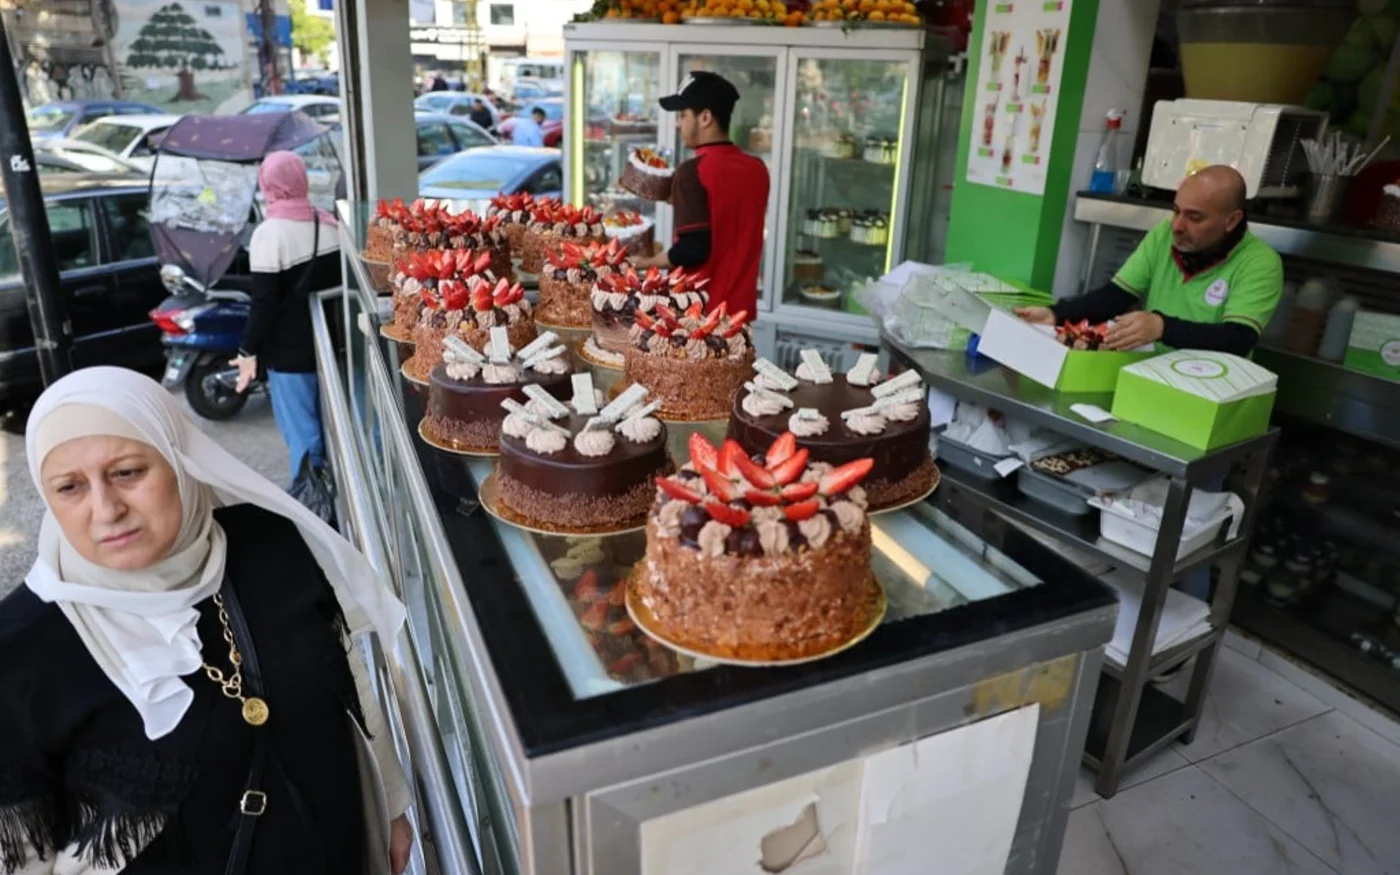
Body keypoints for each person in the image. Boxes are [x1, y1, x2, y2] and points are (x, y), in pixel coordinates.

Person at [0, 367, 414, 874]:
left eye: (127, 472)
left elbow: (344, 677)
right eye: (69, 487)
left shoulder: (268, 543)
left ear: (178, 460)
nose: (106, 510)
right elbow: (20, 854)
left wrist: (391, 807)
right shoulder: (21, 648)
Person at [1015, 164, 1283, 356]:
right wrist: (1056, 314)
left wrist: (1162, 327)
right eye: (1176, 211)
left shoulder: (1259, 262)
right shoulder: (1164, 236)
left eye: (1195, 217)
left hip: (1208, 390)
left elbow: (1237, 338)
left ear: (1231, 220)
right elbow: (1115, 296)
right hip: (1147, 376)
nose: (1177, 225)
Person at [233, 151, 341, 486]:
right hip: (333, 349)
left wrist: (246, 351)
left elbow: (263, 305)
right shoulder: (327, 223)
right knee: (335, 432)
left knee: (304, 438)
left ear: (268, 185)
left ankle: (314, 508)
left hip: (291, 357)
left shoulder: (270, 234)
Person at [633, 71, 769, 317]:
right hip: (740, 316)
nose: (678, 123)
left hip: (700, 317)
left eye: (683, 115)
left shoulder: (692, 171)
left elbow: (692, 249)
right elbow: (726, 214)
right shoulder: (757, 169)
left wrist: (645, 263)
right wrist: (672, 196)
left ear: (705, 117)